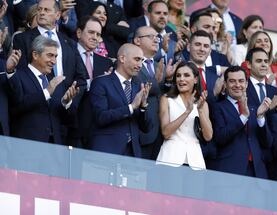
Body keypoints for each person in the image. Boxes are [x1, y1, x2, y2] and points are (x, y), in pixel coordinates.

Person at [6, 35, 80, 145]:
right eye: (50, 55)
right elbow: (17, 106)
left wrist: (66, 103)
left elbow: (69, 122)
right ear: (35, 55)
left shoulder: (56, 83)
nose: (54, 61)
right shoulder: (19, 76)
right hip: (27, 147)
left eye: (55, 56)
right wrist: (47, 92)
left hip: (54, 151)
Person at [89, 43, 152, 157]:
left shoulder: (139, 86)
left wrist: (143, 107)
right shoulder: (101, 83)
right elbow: (100, 117)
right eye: (137, 59)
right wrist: (131, 107)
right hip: (107, 152)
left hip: (132, 154)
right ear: (122, 58)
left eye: (142, 60)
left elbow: (146, 128)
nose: (140, 65)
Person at [12, 0, 87, 94]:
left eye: (47, 10)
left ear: (58, 15)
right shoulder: (22, 39)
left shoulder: (70, 42)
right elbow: (21, 75)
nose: (42, 13)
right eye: (39, 9)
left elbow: (81, 79)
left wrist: (71, 103)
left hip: (66, 106)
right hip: (38, 102)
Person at [212, 66, 272, 178]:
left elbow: (267, 142)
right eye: (232, 81)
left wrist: (260, 118)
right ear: (225, 84)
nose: (237, 85)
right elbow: (220, 137)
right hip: (230, 172)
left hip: (257, 173)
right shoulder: (218, 107)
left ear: (247, 84)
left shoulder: (256, 109)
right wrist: (243, 117)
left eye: (241, 81)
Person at [66, 16, 113, 148]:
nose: (95, 37)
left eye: (98, 34)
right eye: (91, 32)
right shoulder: (67, 54)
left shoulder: (105, 62)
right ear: (79, 33)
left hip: (95, 129)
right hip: (70, 123)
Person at [156, 61, 213, 170]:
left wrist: (200, 110)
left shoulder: (203, 104)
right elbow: (166, 133)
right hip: (169, 159)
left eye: (186, 75)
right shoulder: (166, 99)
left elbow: (208, 136)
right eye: (178, 76)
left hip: (195, 162)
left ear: (196, 79)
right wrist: (187, 112)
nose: (181, 79)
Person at [133, 26, 165, 159]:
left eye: (157, 37)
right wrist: (157, 81)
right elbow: (138, 88)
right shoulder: (132, 63)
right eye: (150, 37)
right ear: (137, 41)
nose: (156, 40)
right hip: (142, 131)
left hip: (162, 132)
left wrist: (168, 81)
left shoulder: (161, 65)